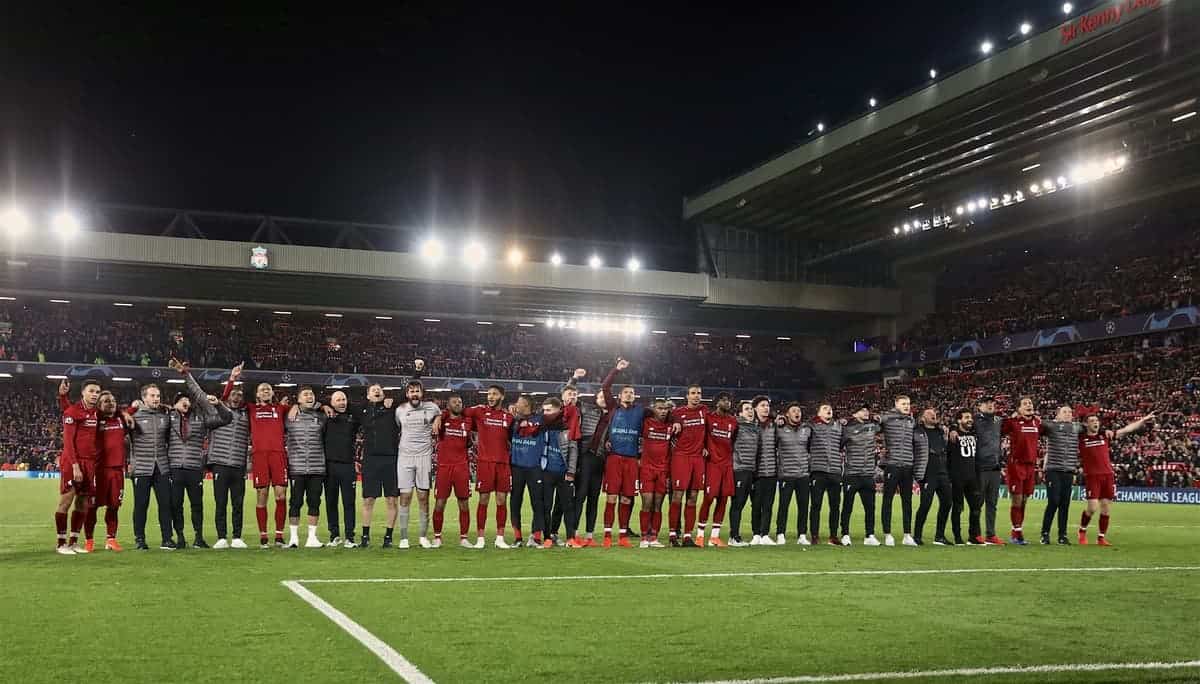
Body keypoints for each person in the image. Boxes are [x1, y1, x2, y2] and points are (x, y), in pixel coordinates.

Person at [166, 359, 233, 549]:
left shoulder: (202, 418)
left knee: (197, 505)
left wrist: (219, 404)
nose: (185, 402)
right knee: (176, 505)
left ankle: (198, 537)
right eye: (180, 400)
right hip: (175, 468)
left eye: (186, 399)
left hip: (195, 468)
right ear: (175, 404)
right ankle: (179, 536)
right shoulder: (168, 418)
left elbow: (226, 418)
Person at [229, 364, 291, 548]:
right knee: (262, 495)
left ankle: (279, 536)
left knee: (281, 495)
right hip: (260, 456)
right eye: (262, 389)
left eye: (268, 389)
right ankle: (263, 536)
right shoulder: (250, 409)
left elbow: (301, 410)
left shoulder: (281, 409)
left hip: (278, 456)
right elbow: (228, 398)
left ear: (272, 393)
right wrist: (233, 378)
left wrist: (322, 405)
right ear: (257, 394)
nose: (265, 391)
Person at [1078, 411, 1155, 546]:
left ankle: (1101, 537)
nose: (1095, 423)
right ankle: (1082, 531)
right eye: (1092, 421)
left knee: (1106, 508)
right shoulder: (1081, 438)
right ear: (1086, 424)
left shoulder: (1105, 435)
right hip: (1092, 476)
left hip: (1107, 475)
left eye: (1096, 421)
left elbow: (1126, 430)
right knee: (1092, 508)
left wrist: (1142, 420)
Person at [464, 384, 516, 549]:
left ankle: (500, 538)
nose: (490, 397)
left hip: (503, 463)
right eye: (489, 394)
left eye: (494, 394)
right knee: (484, 500)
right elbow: (459, 412)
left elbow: (513, 436)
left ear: (502, 396)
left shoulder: (508, 417)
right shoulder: (479, 412)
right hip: (485, 463)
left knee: (501, 500)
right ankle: (480, 538)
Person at [600, 359, 644, 548]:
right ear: (620, 396)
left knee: (627, 498)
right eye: (626, 392)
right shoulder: (613, 408)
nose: (629, 394)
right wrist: (616, 370)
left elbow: (663, 414)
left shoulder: (641, 411)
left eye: (632, 393)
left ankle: (624, 535)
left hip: (632, 460)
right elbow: (605, 386)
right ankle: (608, 535)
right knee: (611, 497)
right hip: (614, 458)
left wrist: (674, 418)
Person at [54, 379, 102, 554]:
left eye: (97, 392)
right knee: (66, 500)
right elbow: (68, 442)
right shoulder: (73, 412)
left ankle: (73, 542)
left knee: (83, 503)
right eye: (91, 391)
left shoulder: (97, 413)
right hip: (73, 462)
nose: (94, 394)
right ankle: (61, 543)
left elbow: (115, 412)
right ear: (83, 392)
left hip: (90, 463)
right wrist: (75, 466)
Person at [394, 378, 442, 549]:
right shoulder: (400, 410)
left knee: (423, 498)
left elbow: (441, 414)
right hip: (405, 457)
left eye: (417, 391)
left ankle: (422, 537)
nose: (415, 394)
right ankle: (404, 538)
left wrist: (438, 417)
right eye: (411, 391)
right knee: (405, 497)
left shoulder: (432, 408)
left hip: (424, 457)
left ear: (422, 393)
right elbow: (397, 427)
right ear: (407, 394)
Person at [206, 376, 251, 549]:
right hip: (220, 463)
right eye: (233, 394)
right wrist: (231, 379)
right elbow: (221, 398)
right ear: (227, 395)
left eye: (240, 394)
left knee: (238, 503)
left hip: (238, 464)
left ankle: (237, 537)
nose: (237, 397)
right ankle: (222, 537)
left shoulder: (247, 414)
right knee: (221, 502)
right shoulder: (217, 411)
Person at [128, 383, 174, 550]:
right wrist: (131, 408)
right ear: (143, 398)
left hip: (161, 467)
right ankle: (140, 539)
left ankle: (167, 539)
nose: (156, 399)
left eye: (158, 396)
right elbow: (120, 419)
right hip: (141, 468)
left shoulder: (165, 417)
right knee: (141, 505)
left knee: (165, 504)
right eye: (153, 396)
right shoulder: (134, 417)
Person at [353, 383, 398, 549]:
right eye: (373, 390)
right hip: (370, 460)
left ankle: (388, 537)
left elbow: (408, 392)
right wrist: (320, 405)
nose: (377, 391)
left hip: (390, 459)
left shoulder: (391, 408)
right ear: (367, 395)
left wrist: (417, 372)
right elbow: (340, 403)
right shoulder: (362, 412)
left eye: (380, 389)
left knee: (392, 500)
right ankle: (365, 537)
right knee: (368, 499)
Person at [576, 367, 615, 546]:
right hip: (585, 457)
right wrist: (574, 379)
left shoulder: (614, 415)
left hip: (600, 460)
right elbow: (568, 399)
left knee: (593, 498)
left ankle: (589, 536)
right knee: (581, 495)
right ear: (596, 399)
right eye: (600, 397)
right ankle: (573, 533)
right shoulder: (587, 409)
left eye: (605, 397)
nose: (603, 399)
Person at [285, 387, 328, 549]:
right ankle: (294, 538)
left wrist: (324, 405)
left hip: (317, 467)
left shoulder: (321, 416)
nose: (309, 396)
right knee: (295, 502)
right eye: (305, 394)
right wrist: (293, 407)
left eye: (311, 394)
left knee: (314, 502)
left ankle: (312, 538)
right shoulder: (289, 416)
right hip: (297, 467)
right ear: (299, 399)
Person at [696, 392, 738, 547]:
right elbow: (699, 435)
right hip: (712, 464)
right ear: (717, 402)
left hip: (726, 465)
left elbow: (732, 441)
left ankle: (714, 536)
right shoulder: (708, 418)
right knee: (708, 499)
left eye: (729, 400)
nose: (727, 403)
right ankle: (700, 536)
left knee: (723, 499)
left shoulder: (733, 421)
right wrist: (703, 447)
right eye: (724, 400)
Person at [433, 392, 474, 548]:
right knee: (440, 503)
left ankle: (464, 538)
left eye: (460, 402)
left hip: (461, 468)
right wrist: (439, 415)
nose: (458, 404)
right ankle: (437, 538)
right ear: (448, 405)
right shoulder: (442, 420)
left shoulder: (468, 421)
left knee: (464, 503)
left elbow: (469, 442)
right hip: (444, 467)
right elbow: (437, 414)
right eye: (455, 402)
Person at [669, 383, 708, 546]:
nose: (696, 396)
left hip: (698, 459)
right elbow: (663, 417)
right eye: (693, 393)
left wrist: (705, 446)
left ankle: (687, 536)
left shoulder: (705, 411)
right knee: (677, 496)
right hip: (681, 458)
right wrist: (675, 421)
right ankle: (672, 534)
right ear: (687, 396)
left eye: (699, 393)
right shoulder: (677, 413)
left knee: (693, 498)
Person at [538, 397, 578, 548]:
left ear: (558, 410)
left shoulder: (568, 428)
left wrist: (571, 472)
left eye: (549, 410)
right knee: (546, 506)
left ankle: (570, 539)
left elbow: (573, 451)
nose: (545, 413)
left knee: (568, 506)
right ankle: (547, 538)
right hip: (546, 472)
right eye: (544, 410)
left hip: (563, 473)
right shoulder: (541, 427)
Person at [322, 390, 360, 548]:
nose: (342, 402)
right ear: (331, 402)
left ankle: (350, 537)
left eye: (344, 399)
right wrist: (323, 405)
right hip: (329, 466)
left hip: (347, 465)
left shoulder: (353, 417)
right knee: (331, 502)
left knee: (349, 503)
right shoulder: (325, 417)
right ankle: (334, 535)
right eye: (338, 400)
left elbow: (362, 405)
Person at [1002, 396, 1042, 545]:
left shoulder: (1037, 423)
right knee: (1017, 500)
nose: (1028, 405)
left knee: (1024, 500)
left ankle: (1016, 530)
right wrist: (1010, 417)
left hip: (1030, 466)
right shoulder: (1012, 423)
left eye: (1030, 403)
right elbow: (999, 429)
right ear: (1018, 409)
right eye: (1025, 403)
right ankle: (1017, 534)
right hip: (1016, 465)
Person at [1040, 406, 1082, 545]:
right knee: (1054, 502)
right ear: (1057, 415)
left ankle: (1062, 535)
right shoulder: (1051, 426)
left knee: (1065, 504)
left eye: (1070, 412)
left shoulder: (1077, 427)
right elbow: (1038, 423)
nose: (1068, 414)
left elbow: (1093, 429)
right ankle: (1045, 534)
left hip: (1068, 471)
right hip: (1053, 470)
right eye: (1064, 412)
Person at [840, 404, 881, 546]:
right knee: (847, 506)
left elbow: (884, 424)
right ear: (854, 414)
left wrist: (878, 418)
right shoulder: (847, 429)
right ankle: (845, 534)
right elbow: (838, 445)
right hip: (852, 473)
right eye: (862, 410)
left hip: (868, 474)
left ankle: (870, 535)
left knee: (870, 507)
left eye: (867, 410)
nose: (866, 412)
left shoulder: (872, 427)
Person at [880, 395, 918, 547]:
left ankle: (907, 535)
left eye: (908, 403)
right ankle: (887, 534)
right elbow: (876, 422)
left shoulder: (911, 421)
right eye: (903, 403)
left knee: (907, 501)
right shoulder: (887, 418)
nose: (907, 406)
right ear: (896, 404)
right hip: (892, 465)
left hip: (908, 465)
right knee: (887, 500)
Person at [509, 395, 546, 547]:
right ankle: (517, 538)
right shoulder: (511, 420)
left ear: (527, 405)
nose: (516, 406)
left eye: (519, 403)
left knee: (537, 502)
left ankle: (536, 537)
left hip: (534, 467)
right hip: (516, 467)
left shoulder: (541, 420)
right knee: (515, 502)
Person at [637, 398, 673, 548]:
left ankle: (654, 537)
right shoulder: (646, 424)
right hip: (646, 469)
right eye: (659, 408)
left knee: (658, 505)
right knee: (647, 503)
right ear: (653, 409)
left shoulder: (671, 427)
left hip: (663, 471)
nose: (663, 411)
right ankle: (644, 536)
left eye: (665, 409)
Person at [913, 407, 952, 546]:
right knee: (925, 504)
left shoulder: (941, 432)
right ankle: (917, 536)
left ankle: (939, 536)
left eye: (934, 413)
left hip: (943, 472)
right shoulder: (917, 432)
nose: (933, 415)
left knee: (947, 503)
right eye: (929, 413)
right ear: (923, 418)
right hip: (928, 474)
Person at [774, 402, 811, 545]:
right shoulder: (780, 429)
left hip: (803, 474)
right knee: (784, 506)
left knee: (803, 506)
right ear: (787, 414)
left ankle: (802, 535)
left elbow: (809, 447)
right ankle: (780, 533)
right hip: (786, 474)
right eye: (794, 410)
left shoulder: (806, 429)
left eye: (799, 410)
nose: (797, 413)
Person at [807, 403, 844, 546]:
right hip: (818, 471)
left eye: (830, 408)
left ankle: (833, 536)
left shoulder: (838, 426)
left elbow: (841, 444)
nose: (829, 410)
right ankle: (815, 536)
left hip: (835, 471)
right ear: (818, 413)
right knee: (816, 504)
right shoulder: (812, 426)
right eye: (825, 409)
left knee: (835, 506)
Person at [948, 410, 984, 545]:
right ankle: (957, 537)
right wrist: (952, 428)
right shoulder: (952, 435)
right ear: (959, 420)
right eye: (966, 417)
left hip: (973, 477)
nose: (970, 419)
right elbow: (948, 457)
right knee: (958, 508)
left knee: (976, 508)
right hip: (957, 477)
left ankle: (973, 536)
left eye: (971, 417)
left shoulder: (974, 434)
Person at [973, 397, 1006, 545]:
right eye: (987, 403)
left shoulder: (999, 420)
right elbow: (958, 425)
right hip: (980, 467)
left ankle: (991, 534)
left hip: (995, 467)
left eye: (992, 403)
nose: (990, 405)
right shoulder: (974, 420)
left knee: (992, 503)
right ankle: (976, 534)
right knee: (978, 503)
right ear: (980, 406)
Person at [728, 401, 758, 546]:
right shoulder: (736, 426)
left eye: (751, 409)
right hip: (739, 469)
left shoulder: (755, 428)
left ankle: (735, 535)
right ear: (740, 413)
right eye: (746, 409)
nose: (750, 411)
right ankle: (734, 536)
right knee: (737, 503)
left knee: (743, 503)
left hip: (750, 470)